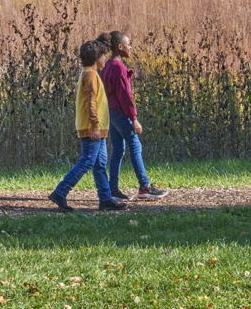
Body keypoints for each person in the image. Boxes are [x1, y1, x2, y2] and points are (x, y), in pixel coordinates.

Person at [49, 40, 128, 213]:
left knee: (99, 164)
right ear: (96, 57)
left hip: (97, 128)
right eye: (103, 55)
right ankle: (60, 192)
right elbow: (91, 102)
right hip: (92, 128)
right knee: (87, 161)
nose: (105, 59)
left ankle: (105, 199)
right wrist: (94, 126)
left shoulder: (89, 73)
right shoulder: (91, 75)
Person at [98, 31, 168, 201]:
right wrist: (134, 119)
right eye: (128, 44)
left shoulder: (106, 66)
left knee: (118, 150)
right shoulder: (119, 68)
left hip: (110, 114)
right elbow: (126, 97)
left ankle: (112, 190)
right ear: (119, 47)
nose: (130, 47)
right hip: (121, 114)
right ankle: (145, 187)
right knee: (135, 147)